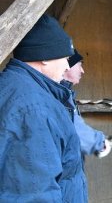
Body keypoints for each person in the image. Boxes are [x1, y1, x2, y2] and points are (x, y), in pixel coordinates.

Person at [0, 14, 87, 202]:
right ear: (45, 57)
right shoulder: (33, 108)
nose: (66, 65)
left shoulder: (15, 88)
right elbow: (35, 193)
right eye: (65, 57)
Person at [61, 49, 112, 158]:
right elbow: (73, 129)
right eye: (79, 65)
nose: (82, 71)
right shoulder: (60, 96)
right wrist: (100, 143)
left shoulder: (65, 93)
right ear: (68, 66)